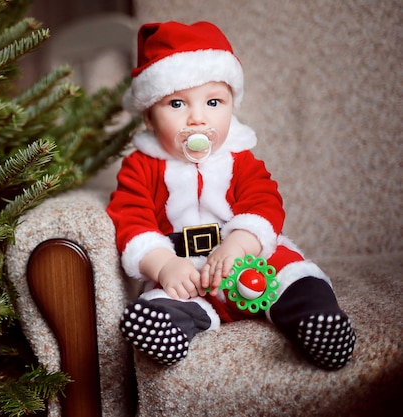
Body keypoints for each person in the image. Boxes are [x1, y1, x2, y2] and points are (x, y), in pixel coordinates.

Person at [106, 21, 355, 370]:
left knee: (295, 276)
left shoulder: (242, 159)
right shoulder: (141, 167)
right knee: (163, 302)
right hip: (186, 269)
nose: (197, 118)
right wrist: (163, 265)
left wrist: (239, 244)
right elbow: (130, 219)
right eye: (177, 104)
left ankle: (316, 319)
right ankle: (170, 329)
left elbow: (264, 202)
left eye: (213, 102)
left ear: (231, 106)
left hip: (248, 258)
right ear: (149, 117)